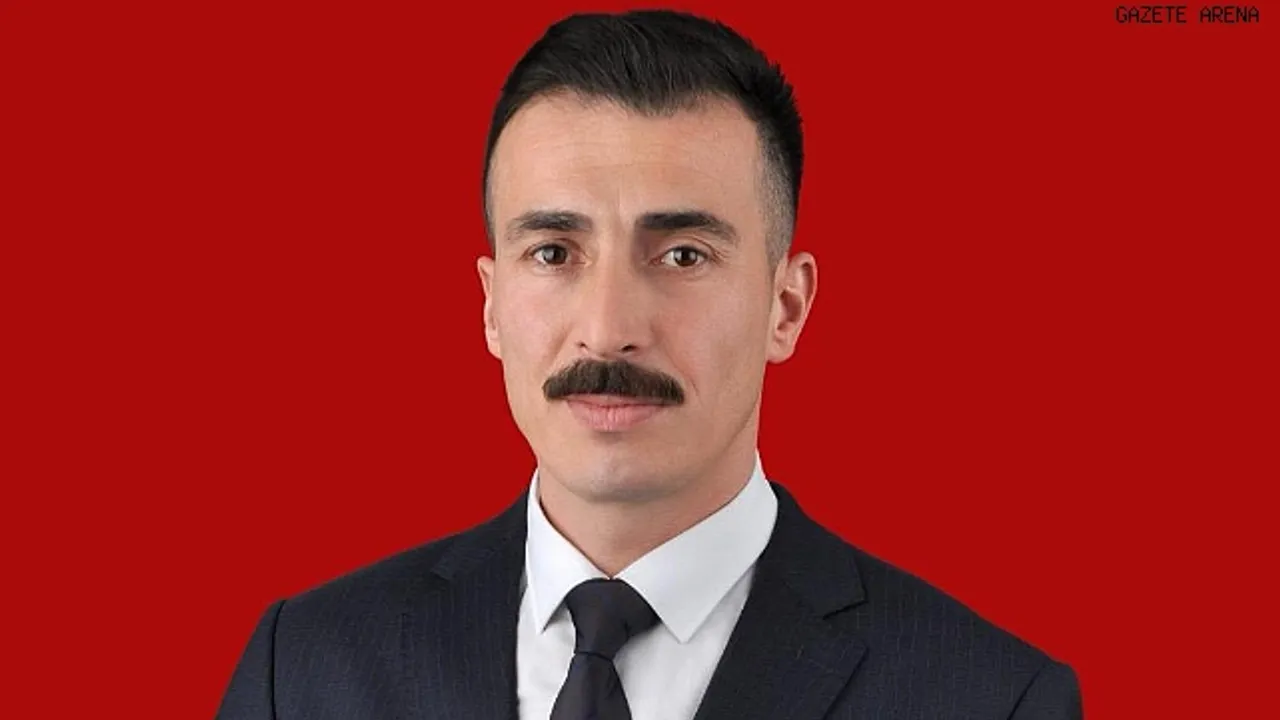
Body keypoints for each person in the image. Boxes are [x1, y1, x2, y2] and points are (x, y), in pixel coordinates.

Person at [216, 9, 1082, 720]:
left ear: (786, 307)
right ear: (491, 305)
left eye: (682, 256)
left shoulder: (990, 698)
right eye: (553, 253)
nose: (608, 331)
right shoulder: (305, 669)